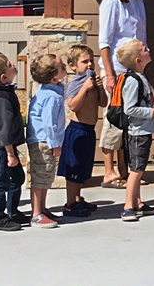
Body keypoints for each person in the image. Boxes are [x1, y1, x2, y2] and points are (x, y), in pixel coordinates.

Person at [98, 0, 147, 189]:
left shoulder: (137, 2)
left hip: (134, 68)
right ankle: (109, 171)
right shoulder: (111, 2)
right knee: (114, 118)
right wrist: (109, 75)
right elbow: (105, 43)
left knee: (131, 120)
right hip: (116, 70)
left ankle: (126, 170)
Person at [117, 39, 154, 222]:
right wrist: (152, 112)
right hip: (137, 131)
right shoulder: (132, 81)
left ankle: (137, 202)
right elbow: (129, 109)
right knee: (136, 170)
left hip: (143, 130)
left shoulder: (141, 77)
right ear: (138, 59)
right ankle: (128, 206)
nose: (149, 49)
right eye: (144, 49)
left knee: (139, 167)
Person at [59, 44, 106, 218]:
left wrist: (99, 88)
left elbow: (103, 103)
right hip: (76, 131)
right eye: (84, 62)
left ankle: (78, 199)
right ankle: (70, 203)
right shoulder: (75, 83)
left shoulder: (93, 80)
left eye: (91, 61)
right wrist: (85, 88)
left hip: (89, 130)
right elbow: (72, 105)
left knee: (82, 169)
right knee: (73, 170)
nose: (89, 65)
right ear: (73, 66)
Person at [0, 53, 29, 232]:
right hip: (2, 147)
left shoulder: (5, 92)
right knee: (2, 181)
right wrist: (10, 153)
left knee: (17, 178)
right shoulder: (1, 99)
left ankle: (12, 211)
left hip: (7, 146)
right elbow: (3, 129)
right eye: (10, 64)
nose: (13, 64)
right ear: (3, 77)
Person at [26, 53, 67, 229]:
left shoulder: (50, 90)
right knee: (40, 177)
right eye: (61, 66)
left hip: (43, 140)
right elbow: (48, 123)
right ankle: (36, 214)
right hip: (43, 141)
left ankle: (41, 208)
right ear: (53, 77)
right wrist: (54, 144)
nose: (65, 67)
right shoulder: (51, 96)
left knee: (45, 176)